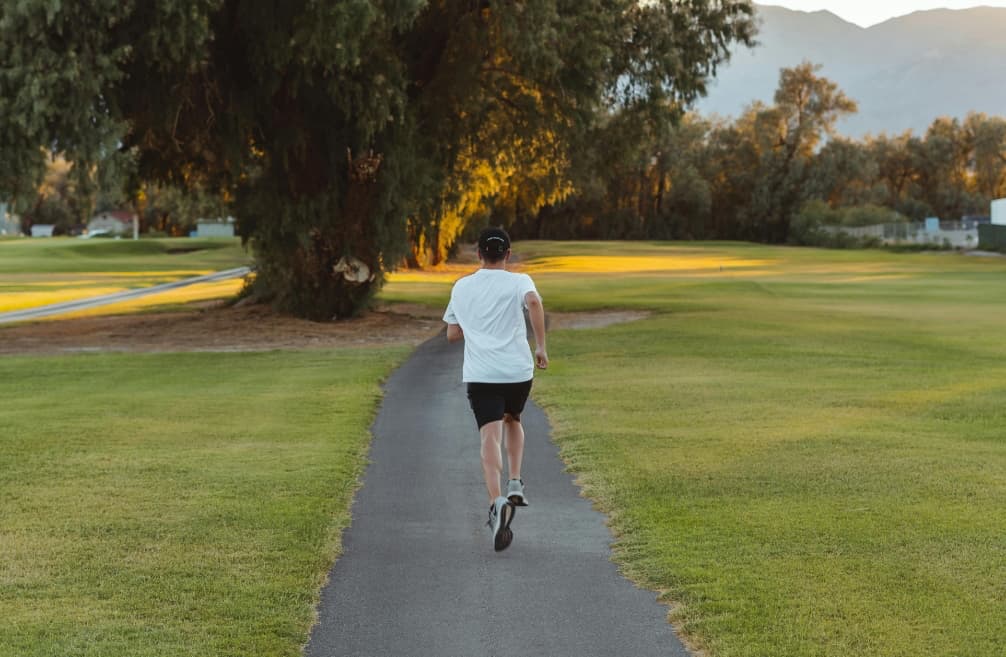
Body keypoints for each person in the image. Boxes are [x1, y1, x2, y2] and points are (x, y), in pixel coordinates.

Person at [443, 226, 548, 552]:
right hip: (517, 371)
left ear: (478, 254)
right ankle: (515, 481)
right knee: (513, 417)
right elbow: (532, 301)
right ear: (508, 253)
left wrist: (474, 326)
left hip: (482, 373)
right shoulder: (520, 281)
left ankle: (496, 502)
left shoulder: (461, 286)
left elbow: (452, 334)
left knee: (490, 435)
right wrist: (541, 346)